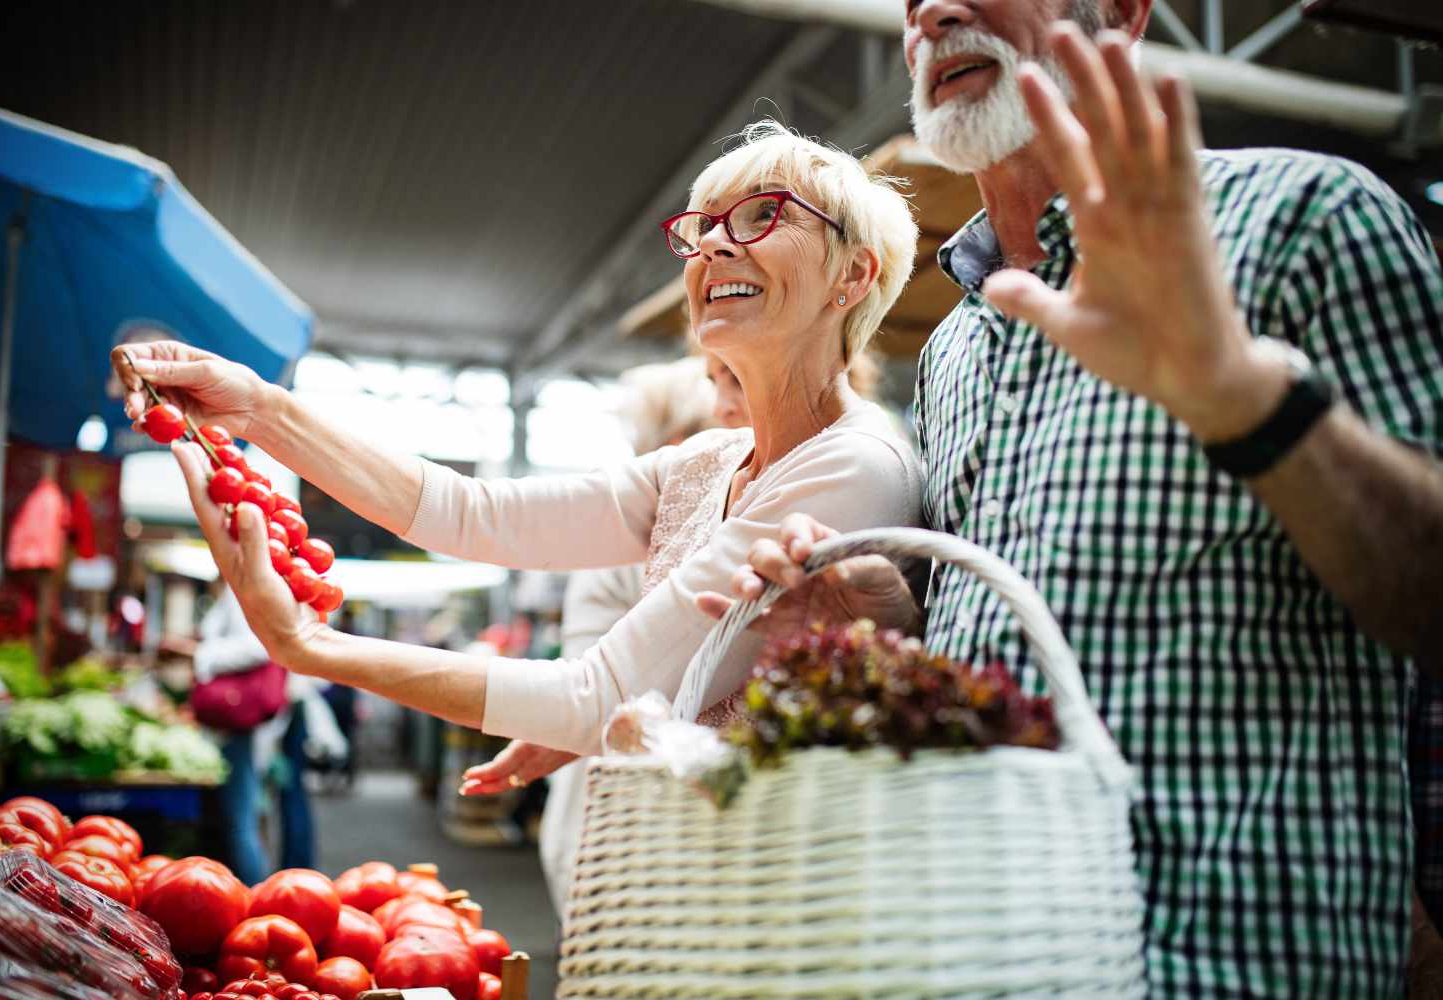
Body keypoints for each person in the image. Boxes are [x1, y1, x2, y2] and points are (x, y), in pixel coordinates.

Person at [699, 2, 1443, 996]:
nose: (935, 10)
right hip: (970, 953)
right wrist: (898, 617)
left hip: (1223, 967)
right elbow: (1018, 643)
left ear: (1126, 12)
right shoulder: (956, 348)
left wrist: (1239, 390)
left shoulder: (1306, 217)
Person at [112, 121, 922, 765]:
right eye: (702, 227)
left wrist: (311, 645)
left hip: (784, 899)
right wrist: (260, 412)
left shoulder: (851, 465)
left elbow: (595, 696)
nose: (712, 245)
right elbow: (473, 513)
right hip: (681, 869)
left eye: (760, 217)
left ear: (853, 277)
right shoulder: (707, 463)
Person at [474, 354, 749, 918]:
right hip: (620, 834)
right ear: (682, 444)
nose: (740, 424)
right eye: (724, 407)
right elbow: (605, 699)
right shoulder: (650, 541)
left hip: (665, 826)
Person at [193, 584, 345, 882]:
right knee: (267, 802)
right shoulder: (257, 585)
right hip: (261, 712)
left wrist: (204, 655)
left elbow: (262, 645)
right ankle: (289, 878)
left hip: (246, 715)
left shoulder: (250, 588)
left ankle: (260, 891)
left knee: (244, 813)